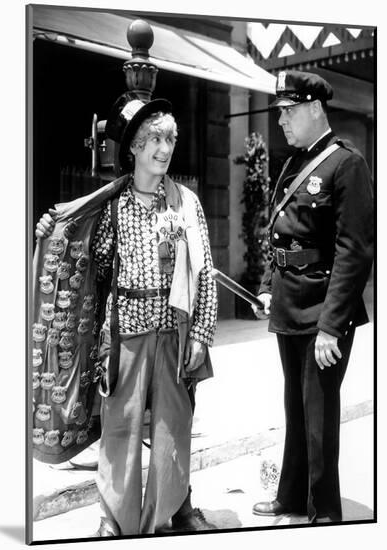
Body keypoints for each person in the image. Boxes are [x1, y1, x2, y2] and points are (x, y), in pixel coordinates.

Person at [33, 92, 218, 535]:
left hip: (174, 333)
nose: (165, 149)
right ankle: (114, 519)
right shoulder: (113, 207)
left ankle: (173, 509)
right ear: (133, 146)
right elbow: (86, 264)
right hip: (126, 333)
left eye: (170, 138)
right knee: (121, 431)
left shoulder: (186, 202)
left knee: (174, 428)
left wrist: (202, 334)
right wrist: (48, 231)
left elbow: (205, 271)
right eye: (155, 139)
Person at [251, 70, 374, 523]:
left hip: (324, 310)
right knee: (296, 409)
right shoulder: (294, 163)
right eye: (279, 113)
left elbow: (354, 250)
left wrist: (330, 326)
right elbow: (281, 235)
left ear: (315, 108)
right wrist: (267, 287)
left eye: (289, 111)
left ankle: (324, 513)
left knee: (319, 416)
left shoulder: (347, 165)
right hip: (288, 305)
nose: (281, 120)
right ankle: (290, 495)